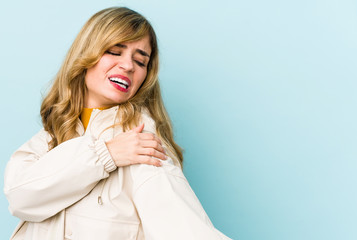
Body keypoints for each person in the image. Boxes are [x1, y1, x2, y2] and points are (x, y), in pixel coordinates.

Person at [4, 7, 231, 240]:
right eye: (115, 51)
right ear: (86, 55)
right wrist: (105, 154)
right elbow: (20, 198)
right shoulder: (51, 135)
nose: (129, 66)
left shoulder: (140, 141)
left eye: (141, 61)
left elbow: (184, 228)